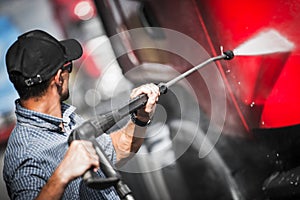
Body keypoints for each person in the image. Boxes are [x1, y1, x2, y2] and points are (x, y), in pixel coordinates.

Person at [3, 29, 160, 200]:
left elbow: (117, 151)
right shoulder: (24, 154)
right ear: (58, 78)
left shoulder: (65, 117)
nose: (69, 74)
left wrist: (140, 119)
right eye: (68, 67)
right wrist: (63, 175)